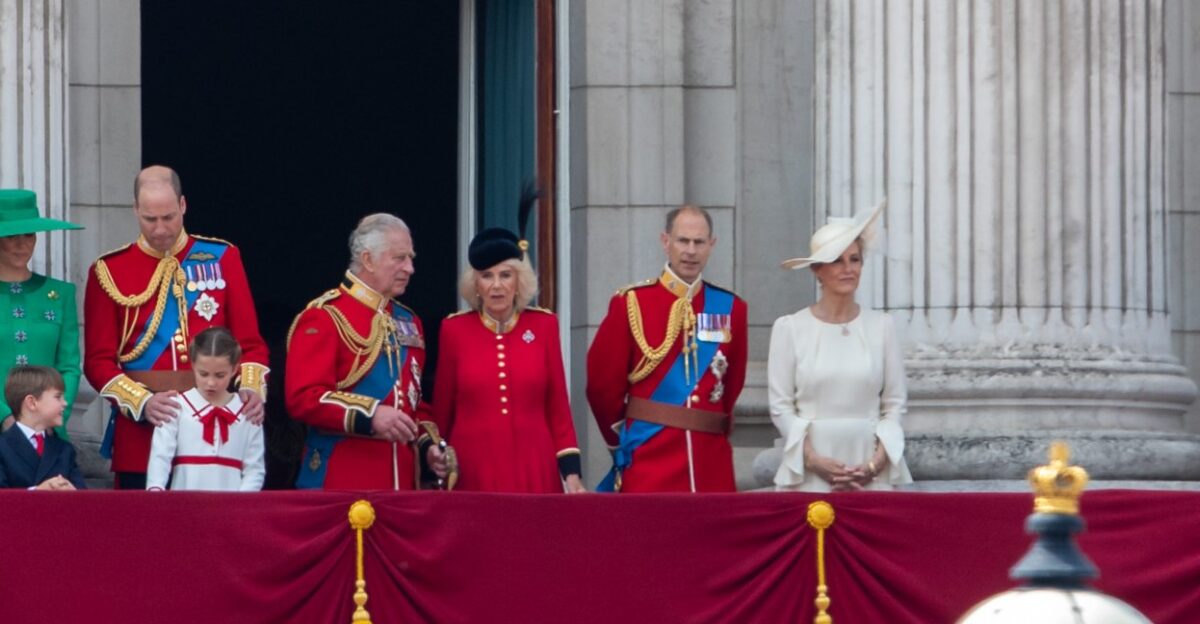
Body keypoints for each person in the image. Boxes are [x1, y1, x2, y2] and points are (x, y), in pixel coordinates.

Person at [83, 165, 270, 489]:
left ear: (183, 205)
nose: (159, 230)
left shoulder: (222, 257)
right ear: (135, 211)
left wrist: (251, 388)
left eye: (168, 217)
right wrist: (143, 403)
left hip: (214, 427)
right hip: (145, 430)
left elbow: (250, 343)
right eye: (149, 219)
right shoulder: (108, 271)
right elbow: (97, 362)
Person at [587, 205, 748, 493]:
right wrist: (621, 441)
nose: (690, 250)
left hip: (709, 460)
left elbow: (732, 383)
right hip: (650, 455)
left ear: (712, 245)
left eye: (699, 242)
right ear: (665, 241)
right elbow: (602, 386)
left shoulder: (731, 308)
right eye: (682, 241)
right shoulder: (632, 302)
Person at [286, 214, 447, 490]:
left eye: (411, 258)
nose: (410, 268)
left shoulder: (409, 321)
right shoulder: (325, 316)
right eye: (399, 258)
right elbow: (304, 398)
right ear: (368, 259)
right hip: (343, 481)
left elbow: (413, 405)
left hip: (402, 488)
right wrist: (371, 415)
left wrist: (428, 447)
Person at [768, 200, 912, 492]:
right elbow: (781, 406)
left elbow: (895, 404)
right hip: (809, 474)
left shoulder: (882, 326)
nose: (848, 269)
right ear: (817, 270)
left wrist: (877, 462)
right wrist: (812, 459)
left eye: (855, 259)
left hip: (871, 471)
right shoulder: (790, 328)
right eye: (837, 260)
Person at [432, 226, 584, 493]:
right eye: (486, 276)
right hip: (473, 469)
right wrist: (435, 464)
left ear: (519, 282)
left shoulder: (544, 325)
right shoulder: (454, 330)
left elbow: (558, 409)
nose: (497, 286)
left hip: (535, 466)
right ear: (475, 285)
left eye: (505, 275)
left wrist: (572, 475)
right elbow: (442, 411)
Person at [0, 189, 83, 439]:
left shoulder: (60, 294)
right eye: (12, 235)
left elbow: (69, 366)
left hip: (50, 434)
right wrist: (7, 418)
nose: (22, 244)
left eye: (29, 234)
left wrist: (52, 416)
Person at [146, 327, 265, 491]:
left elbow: (254, 470)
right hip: (184, 506)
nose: (211, 383)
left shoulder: (248, 412)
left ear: (235, 369)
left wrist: (241, 508)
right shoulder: (176, 407)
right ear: (193, 365)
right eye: (203, 374)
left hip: (232, 509)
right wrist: (155, 491)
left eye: (220, 375)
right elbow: (160, 458)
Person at [0, 365, 85, 490]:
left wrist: (72, 490)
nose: (65, 403)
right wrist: (38, 492)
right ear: (32, 403)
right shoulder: (3, 447)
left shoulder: (64, 450)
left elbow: (85, 499)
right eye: (57, 397)